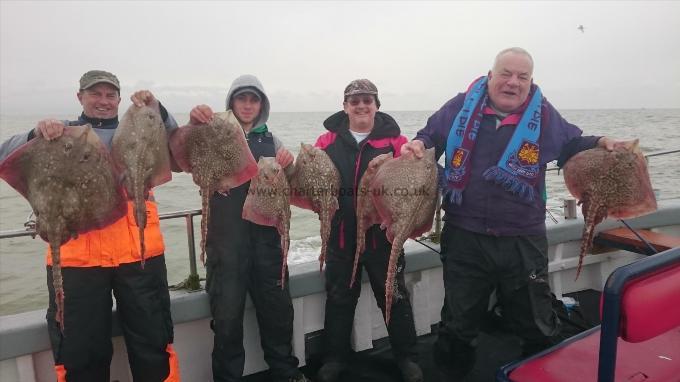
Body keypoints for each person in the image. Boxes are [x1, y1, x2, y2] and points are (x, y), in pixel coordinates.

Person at [400, 47, 622, 381]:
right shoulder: (461, 105)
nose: (513, 82)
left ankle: (540, 373)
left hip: (522, 236)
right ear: (491, 76)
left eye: (523, 76)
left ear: (531, 81)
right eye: (506, 73)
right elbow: (430, 136)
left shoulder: (543, 114)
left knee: (536, 322)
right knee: (458, 324)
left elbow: (572, 144)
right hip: (465, 235)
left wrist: (602, 141)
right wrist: (417, 144)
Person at [0, 70, 181, 381]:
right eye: (95, 94)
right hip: (77, 256)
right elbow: (6, 154)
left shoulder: (138, 125)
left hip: (140, 252)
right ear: (79, 97)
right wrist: (35, 133)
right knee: (81, 352)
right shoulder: (62, 133)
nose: (103, 101)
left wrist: (157, 109)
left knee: (153, 343)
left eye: (110, 95)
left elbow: (176, 148)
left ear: (120, 100)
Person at [187, 74, 307, 382]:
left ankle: (286, 371)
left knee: (278, 312)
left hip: (268, 242)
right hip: (226, 244)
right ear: (232, 102)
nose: (248, 105)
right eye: (242, 99)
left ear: (262, 105)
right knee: (226, 319)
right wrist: (195, 123)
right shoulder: (215, 132)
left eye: (254, 100)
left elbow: (291, 184)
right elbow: (186, 155)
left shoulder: (272, 139)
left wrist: (289, 162)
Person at [313, 79, 424, 382]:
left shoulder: (396, 142)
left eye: (367, 100)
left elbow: (417, 181)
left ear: (377, 105)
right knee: (338, 299)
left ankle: (407, 358)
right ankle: (334, 359)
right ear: (345, 106)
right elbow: (311, 178)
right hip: (341, 236)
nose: (361, 105)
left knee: (394, 296)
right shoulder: (326, 141)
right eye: (355, 100)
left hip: (383, 238)